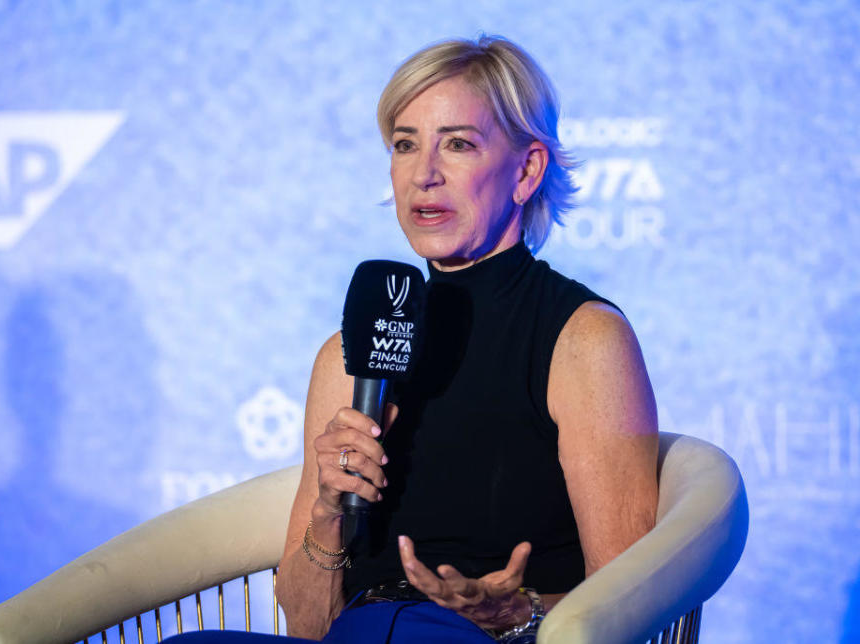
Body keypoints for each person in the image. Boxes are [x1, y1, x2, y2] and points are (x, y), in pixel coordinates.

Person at [168, 34, 658, 644]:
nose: (424, 174)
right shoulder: (346, 354)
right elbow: (306, 624)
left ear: (528, 170)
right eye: (405, 145)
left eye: (458, 144)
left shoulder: (583, 337)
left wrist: (518, 614)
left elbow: (632, 598)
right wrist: (327, 511)